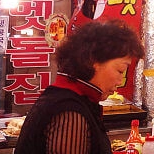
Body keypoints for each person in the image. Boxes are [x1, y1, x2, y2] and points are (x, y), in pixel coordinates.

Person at [15, 20, 144, 154]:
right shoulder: (68, 110)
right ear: (94, 61)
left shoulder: (67, 97)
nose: (120, 81)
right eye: (120, 70)